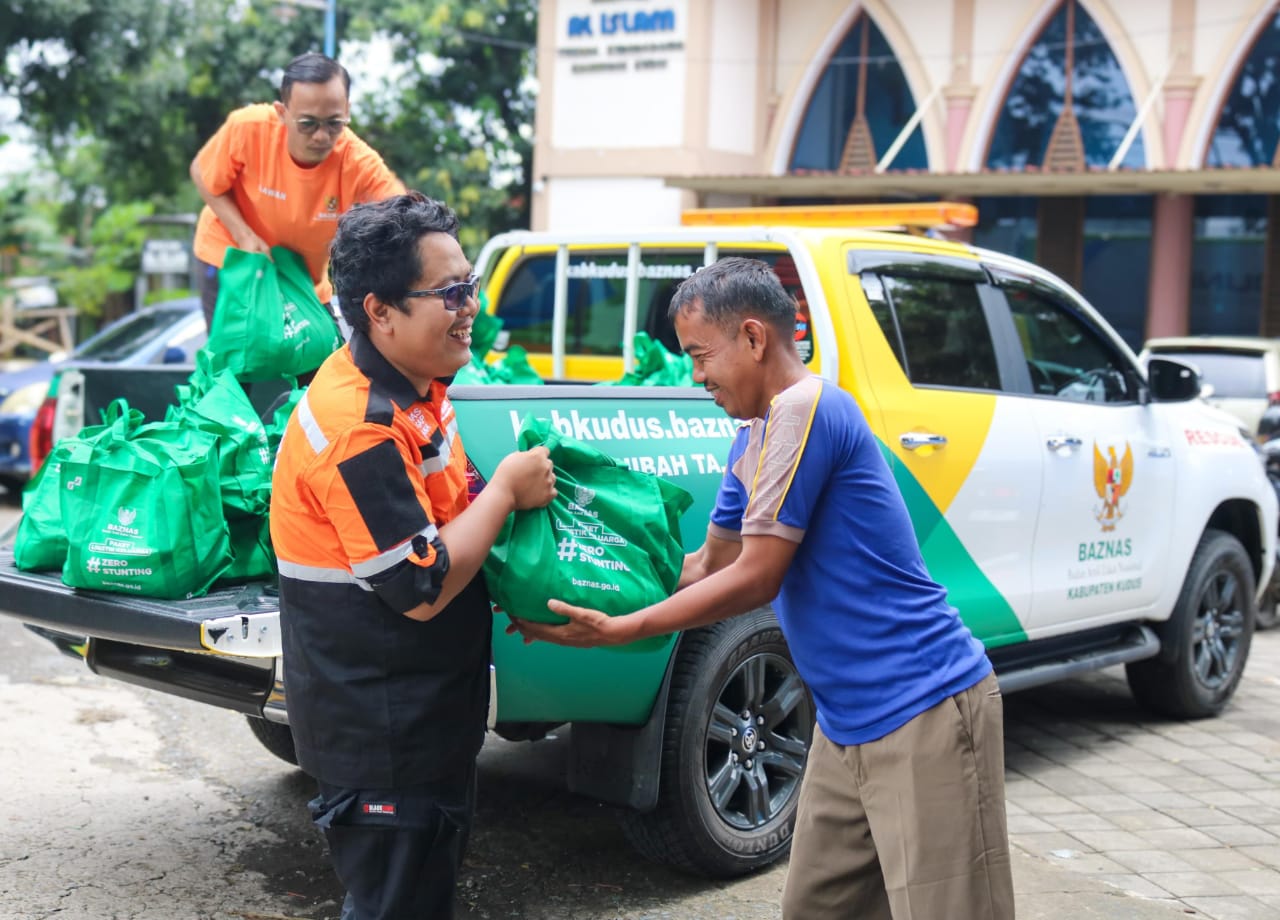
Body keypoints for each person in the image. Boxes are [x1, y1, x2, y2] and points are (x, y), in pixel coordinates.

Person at [512, 257, 1014, 920]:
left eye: (699, 356)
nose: (694, 377)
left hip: (925, 709)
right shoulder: (751, 438)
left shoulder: (808, 408)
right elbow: (704, 566)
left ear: (753, 338)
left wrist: (628, 630)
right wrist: (581, 598)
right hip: (846, 726)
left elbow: (757, 575)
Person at [269, 192, 556, 919]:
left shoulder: (422, 390)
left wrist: (512, 580)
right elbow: (419, 582)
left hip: (428, 717)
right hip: (382, 732)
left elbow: (451, 507)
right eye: (451, 292)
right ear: (380, 310)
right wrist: (508, 495)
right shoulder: (356, 427)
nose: (470, 306)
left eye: (471, 285)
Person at [190, 51, 404, 326]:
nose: (321, 136)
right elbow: (201, 170)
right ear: (282, 113)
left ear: (347, 111)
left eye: (334, 123)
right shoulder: (248, 128)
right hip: (233, 259)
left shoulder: (359, 163)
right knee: (241, 361)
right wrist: (243, 234)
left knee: (321, 362)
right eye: (308, 124)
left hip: (305, 284)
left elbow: (405, 217)